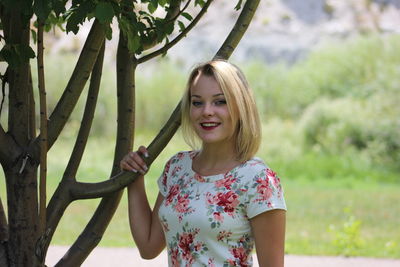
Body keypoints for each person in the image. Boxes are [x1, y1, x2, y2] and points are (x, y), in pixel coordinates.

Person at [120, 60, 287, 267]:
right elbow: (148, 247)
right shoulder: (177, 167)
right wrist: (135, 177)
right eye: (197, 102)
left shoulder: (258, 180)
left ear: (241, 106)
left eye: (220, 101)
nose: (206, 111)